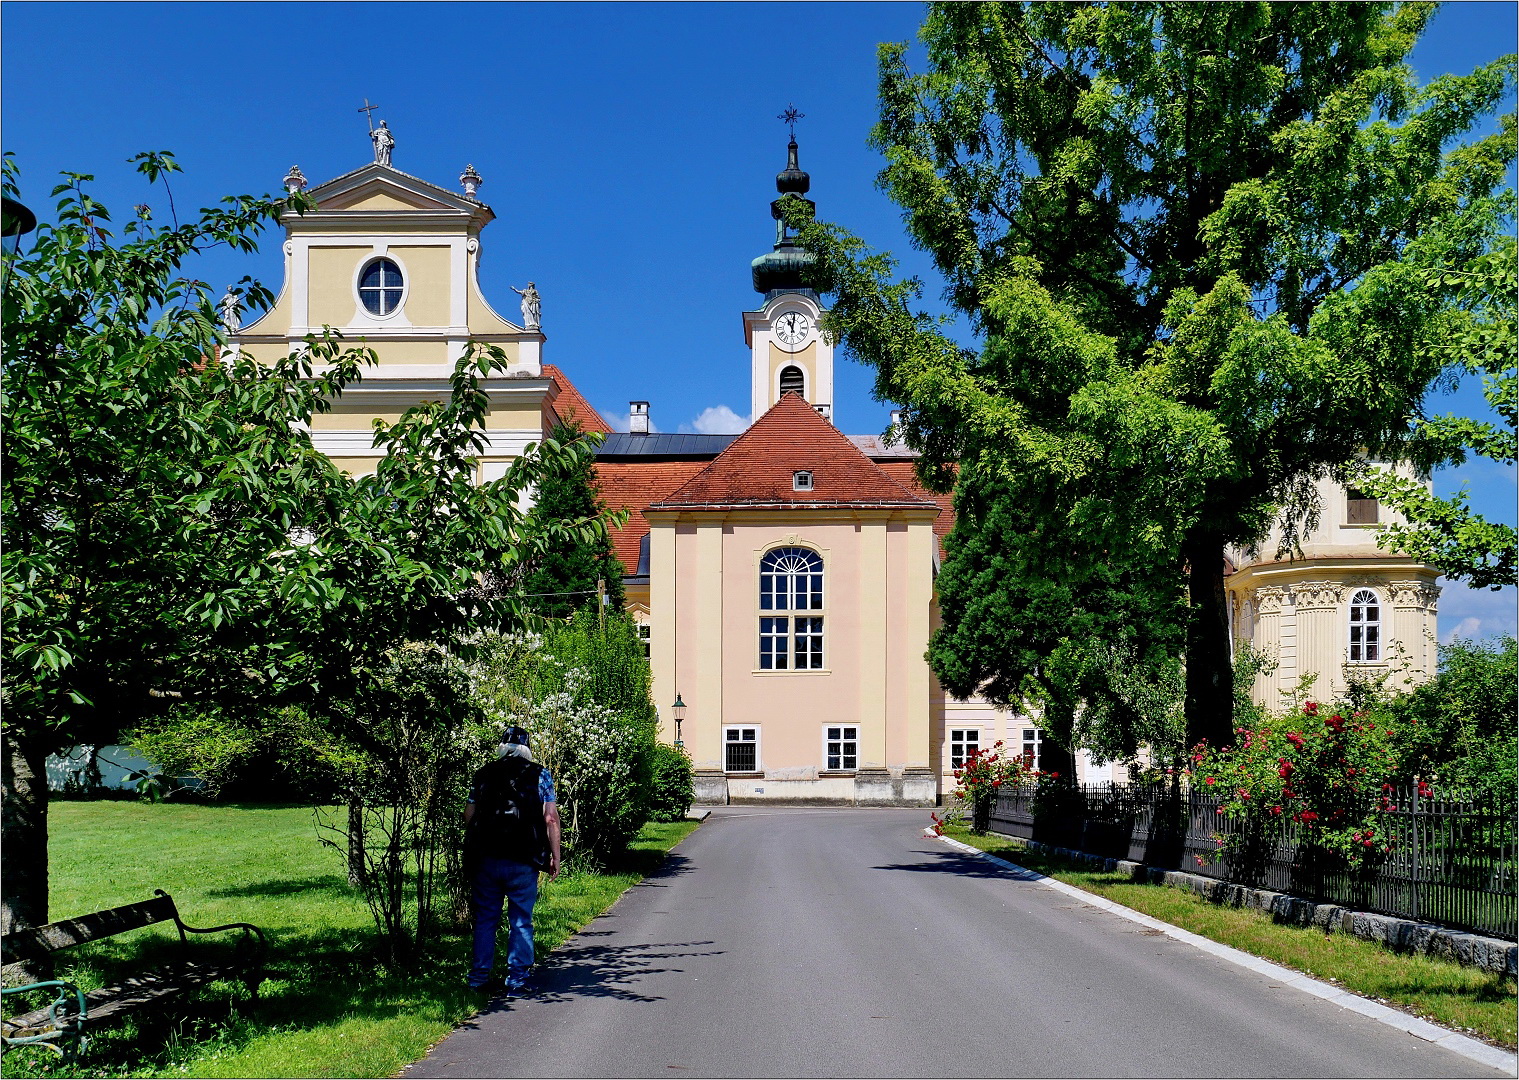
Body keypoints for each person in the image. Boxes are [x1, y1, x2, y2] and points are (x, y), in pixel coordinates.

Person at [464, 726, 561, 995]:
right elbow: (550, 818)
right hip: (523, 857)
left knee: (485, 918)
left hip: (487, 858)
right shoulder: (540, 774)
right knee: (520, 919)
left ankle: (478, 978)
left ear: (502, 747)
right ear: (526, 748)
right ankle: (517, 979)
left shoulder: (483, 774)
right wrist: (555, 855)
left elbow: (469, 813)